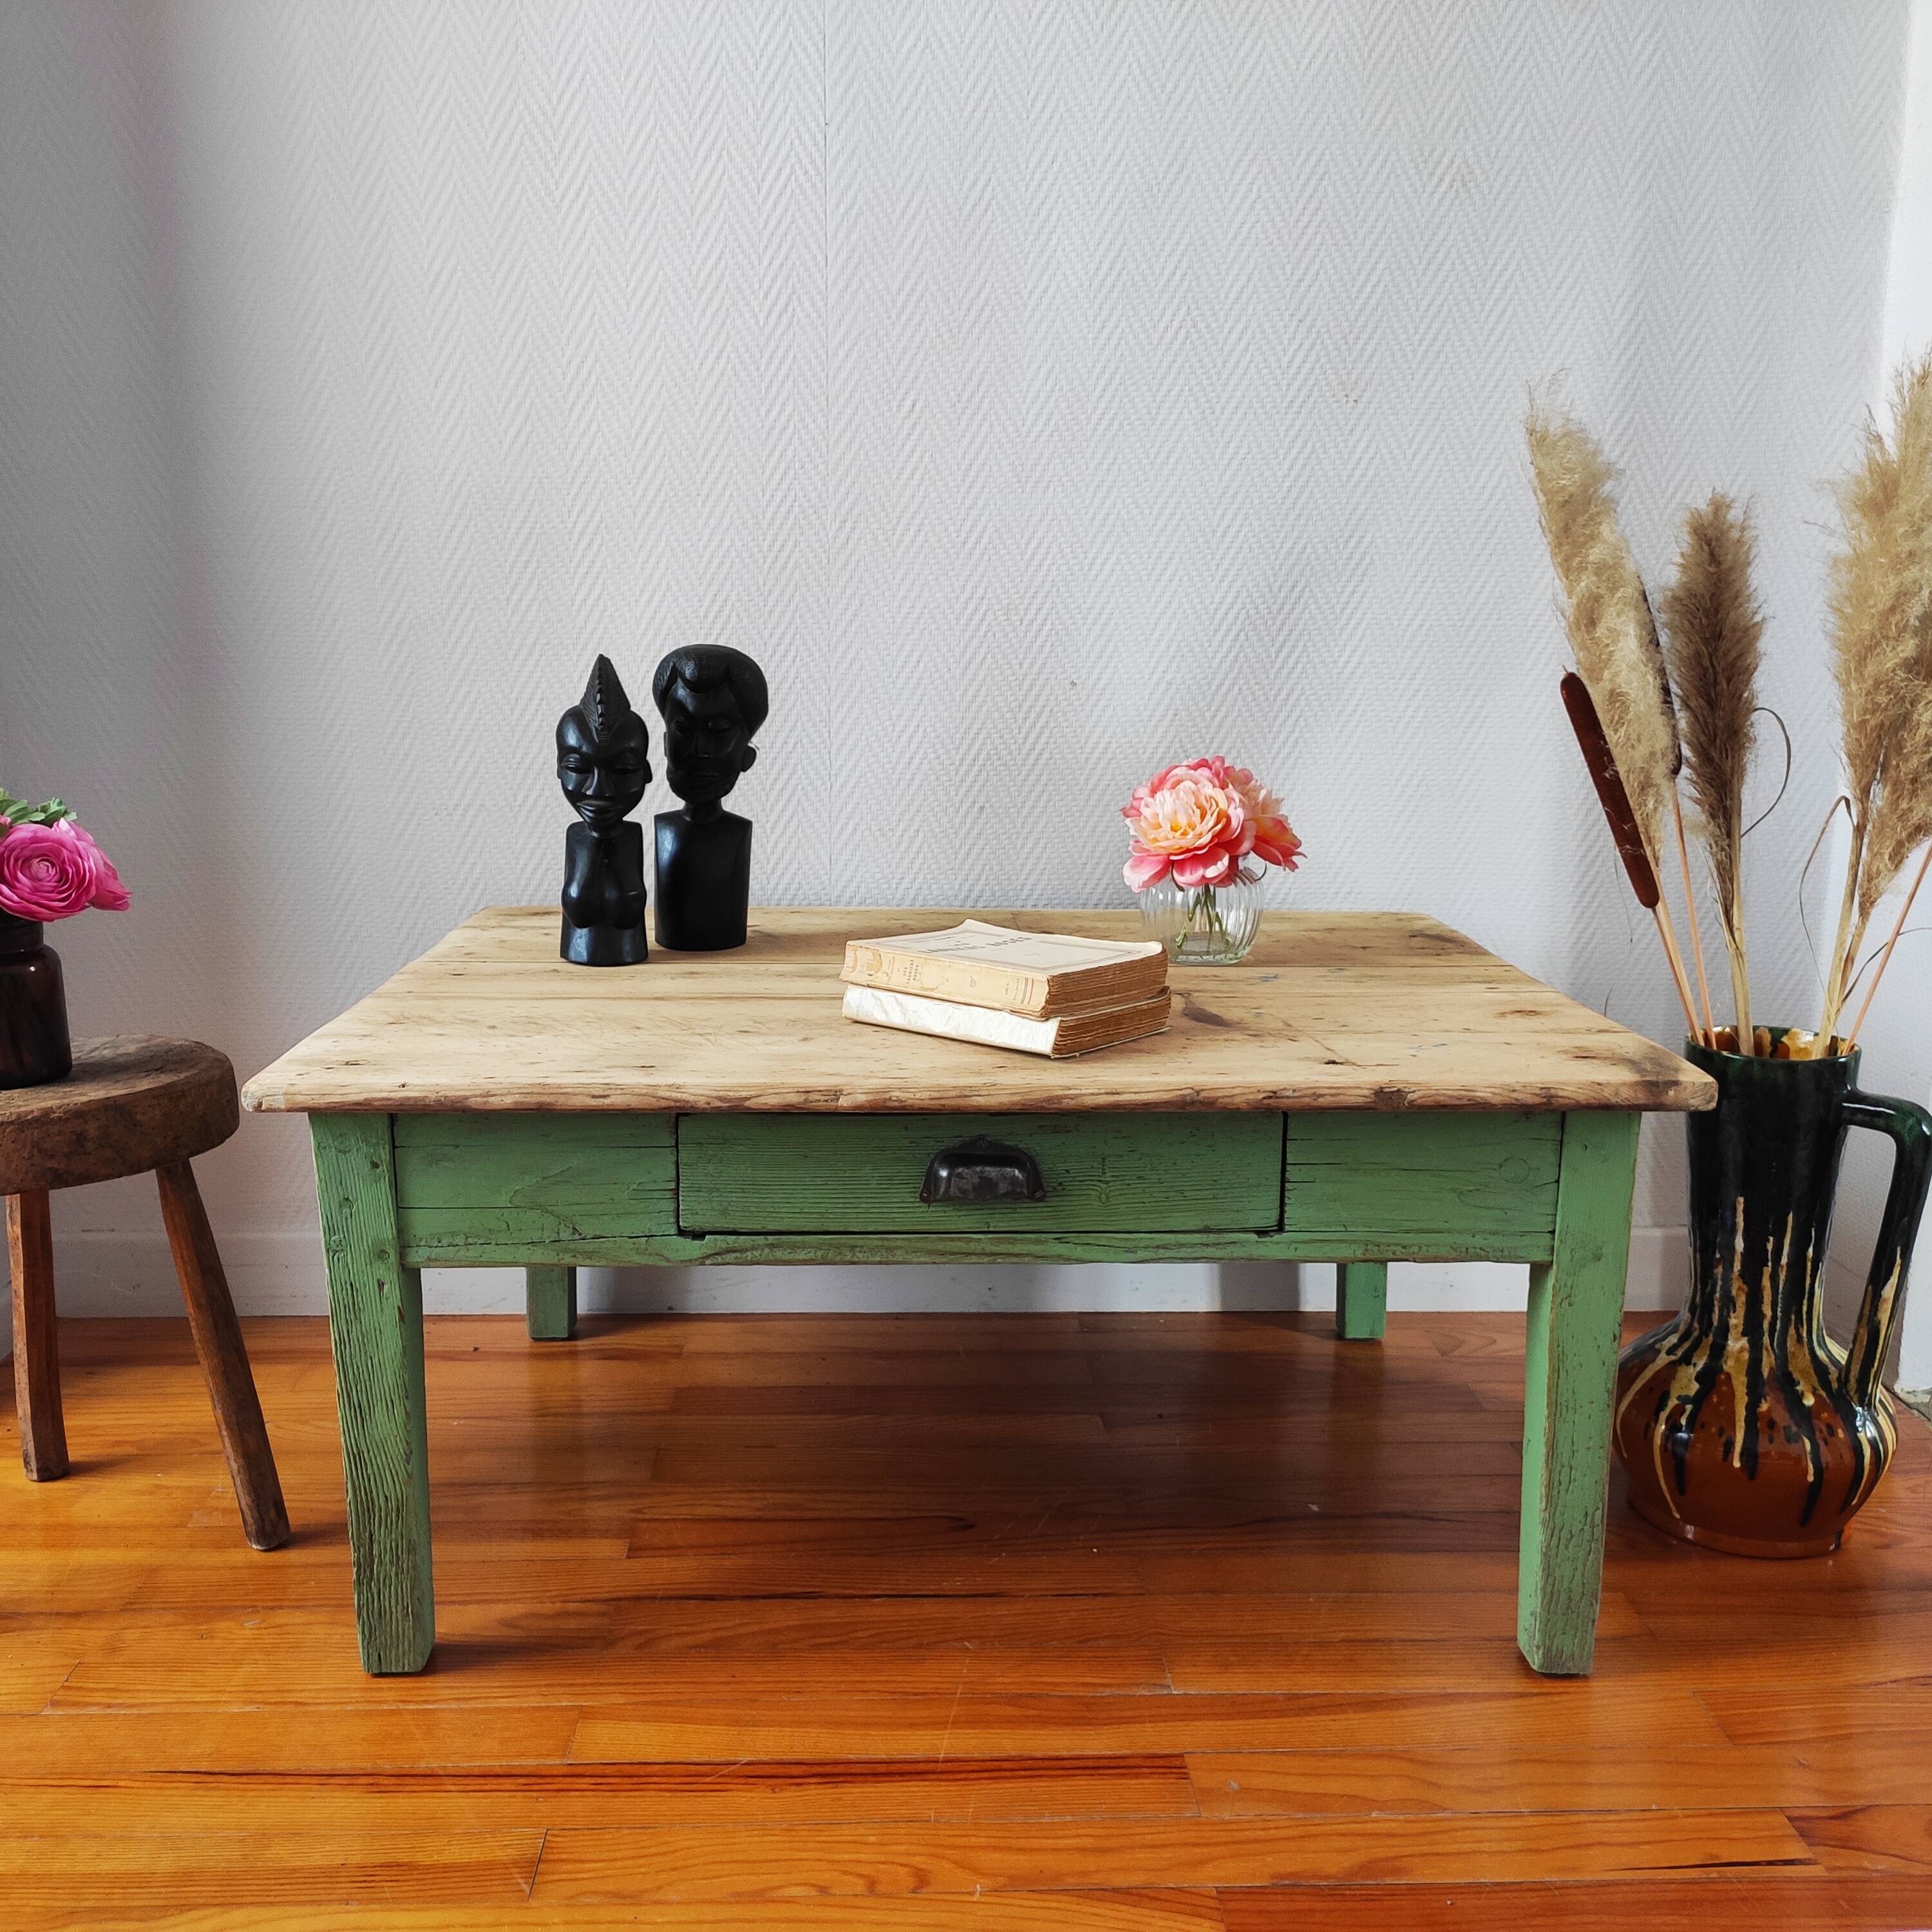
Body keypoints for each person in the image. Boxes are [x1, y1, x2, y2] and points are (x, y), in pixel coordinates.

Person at [651, 645, 768, 951]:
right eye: (682, 728)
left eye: (717, 729)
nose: (698, 750)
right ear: (665, 741)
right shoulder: (662, 828)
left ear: (747, 754)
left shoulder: (737, 833)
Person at [556, 655, 650, 965]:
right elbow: (578, 906)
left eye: (623, 769)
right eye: (578, 767)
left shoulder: (631, 834)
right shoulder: (577, 835)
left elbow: (629, 907)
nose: (600, 790)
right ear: (559, 771)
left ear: (646, 772)